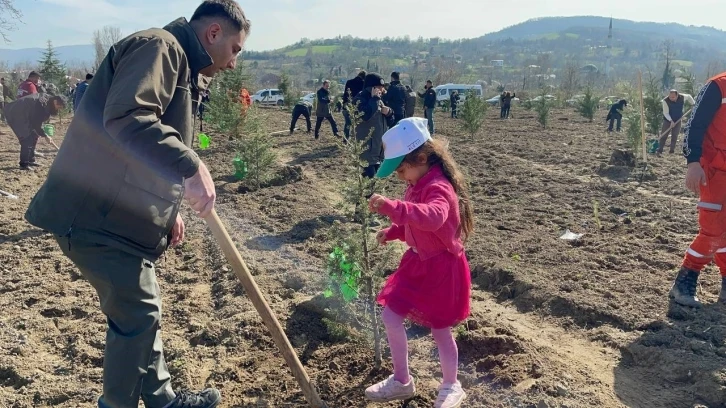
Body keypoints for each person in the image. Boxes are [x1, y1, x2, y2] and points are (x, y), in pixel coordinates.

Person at [24, 1, 250, 407]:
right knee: (139, 314)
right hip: (93, 213)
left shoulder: (178, 62)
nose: (234, 63)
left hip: (112, 212)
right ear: (214, 33)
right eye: (235, 49)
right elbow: (128, 119)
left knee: (138, 314)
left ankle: (161, 399)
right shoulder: (160, 48)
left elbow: (140, 148)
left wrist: (169, 209)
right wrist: (191, 165)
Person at [364, 117, 473, 408]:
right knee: (390, 316)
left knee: (440, 329)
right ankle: (402, 381)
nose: (401, 178)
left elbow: (433, 216)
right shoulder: (417, 181)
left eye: (402, 170)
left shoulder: (438, 187)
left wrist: (393, 208)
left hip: (441, 269)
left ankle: (452, 385)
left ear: (421, 158)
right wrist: (395, 231)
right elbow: (417, 223)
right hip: (416, 263)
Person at [669, 72, 726, 307]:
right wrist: (693, 162)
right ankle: (684, 280)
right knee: (712, 231)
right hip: (713, 169)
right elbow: (695, 124)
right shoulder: (718, 87)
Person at [3, 93, 66, 170]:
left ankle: (31, 160)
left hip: (26, 115)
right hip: (16, 114)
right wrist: (46, 136)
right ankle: (24, 164)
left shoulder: (48, 102)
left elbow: (37, 122)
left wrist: (44, 134)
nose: (58, 109)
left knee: (34, 135)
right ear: (55, 102)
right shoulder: (40, 105)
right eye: (59, 107)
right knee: (27, 138)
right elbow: (36, 124)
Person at [353, 73, 395, 178]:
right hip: (367, 151)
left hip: (379, 151)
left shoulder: (379, 100)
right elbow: (365, 115)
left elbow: (390, 122)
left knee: (378, 182)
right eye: (379, 87)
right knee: (369, 182)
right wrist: (374, 100)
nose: (382, 89)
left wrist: (389, 113)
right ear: (372, 87)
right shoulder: (360, 99)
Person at [657, 89, 696, 156]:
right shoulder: (665, 101)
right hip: (667, 120)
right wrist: (671, 121)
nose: (671, 98)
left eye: (673, 97)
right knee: (664, 135)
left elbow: (689, 96)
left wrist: (693, 104)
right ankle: (660, 150)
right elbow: (665, 113)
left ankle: (672, 151)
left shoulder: (682, 97)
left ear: (677, 95)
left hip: (678, 119)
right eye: (670, 97)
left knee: (675, 135)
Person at [342, 70, 366, 139]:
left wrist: (344, 104)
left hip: (347, 105)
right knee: (357, 123)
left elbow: (345, 94)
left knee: (348, 123)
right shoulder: (363, 84)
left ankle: (345, 139)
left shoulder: (349, 82)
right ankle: (355, 139)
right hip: (357, 106)